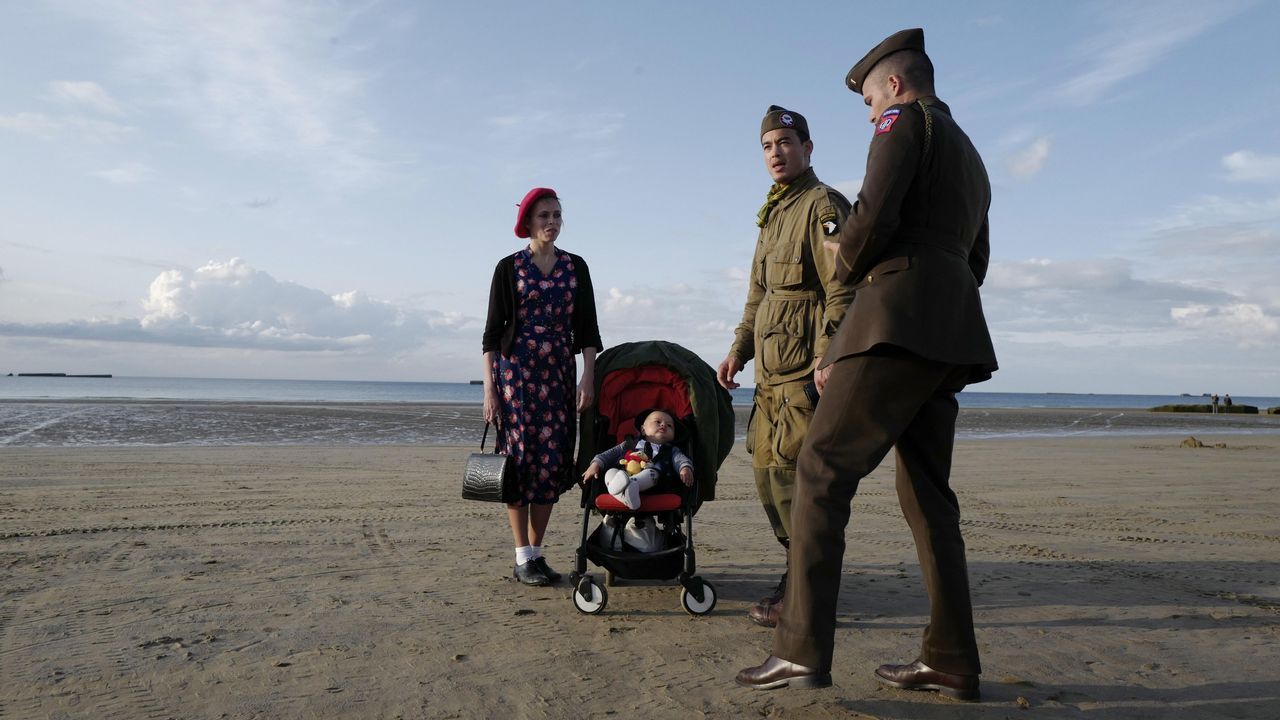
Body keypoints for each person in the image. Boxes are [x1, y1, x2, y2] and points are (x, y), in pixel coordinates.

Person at [736, 29, 998, 702]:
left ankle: (799, 651)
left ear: (894, 86)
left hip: (891, 325)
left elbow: (872, 215)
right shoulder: (971, 154)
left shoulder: (901, 123)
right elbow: (977, 262)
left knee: (821, 469)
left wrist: (852, 278)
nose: (870, 111)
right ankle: (951, 660)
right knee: (929, 501)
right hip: (951, 334)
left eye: (869, 97)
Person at [717, 105, 854, 628]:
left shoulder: (822, 205)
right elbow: (759, 296)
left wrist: (830, 353)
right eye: (768, 145)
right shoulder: (774, 211)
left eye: (786, 143)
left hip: (804, 375)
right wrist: (737, 351)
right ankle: (798, 573)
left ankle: (808, 588)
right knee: (766, 478)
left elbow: (842, 286)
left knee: (800, 482)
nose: (776, 153)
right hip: (768, 377)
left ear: (808, 148)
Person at [482, 187, 602, 587]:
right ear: (528, 223)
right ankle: (521, 555)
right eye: (543, 216)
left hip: (558, 377)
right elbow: (490, 335)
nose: (551, 222)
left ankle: (534, 554)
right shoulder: (508, 267)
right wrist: (490, 390)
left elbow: (587, 328)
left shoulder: (575, 267)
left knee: (551, 463)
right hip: (515, 377)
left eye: (556, 215)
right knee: (518, 464)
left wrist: (589, 374)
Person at [581, 408, 696, 509]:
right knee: (611, 472)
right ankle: (627, 496)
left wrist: (684, 468)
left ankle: (629, 486)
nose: (663, 425)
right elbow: (609, 454)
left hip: (656, 484)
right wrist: (596, 464)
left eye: (669, 425)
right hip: (624, 474)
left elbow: (681, 460)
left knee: (651, 472)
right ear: (643, 430)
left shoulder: (671, 450)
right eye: (657, 422)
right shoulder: (629, 444)